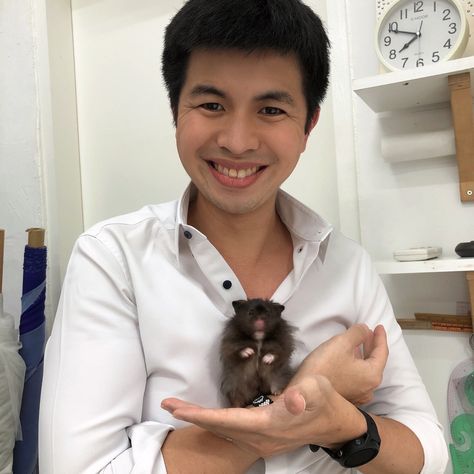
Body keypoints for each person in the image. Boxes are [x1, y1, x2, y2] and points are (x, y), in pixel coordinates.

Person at [39, 0, 448, 472]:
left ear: (308, 124)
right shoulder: (112, 259)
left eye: (271, 109)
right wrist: (296, 406)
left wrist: (343, 424)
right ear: (176, 110)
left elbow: (428, 453)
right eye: (212, 105)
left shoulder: (348, 266)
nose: (237, 140)